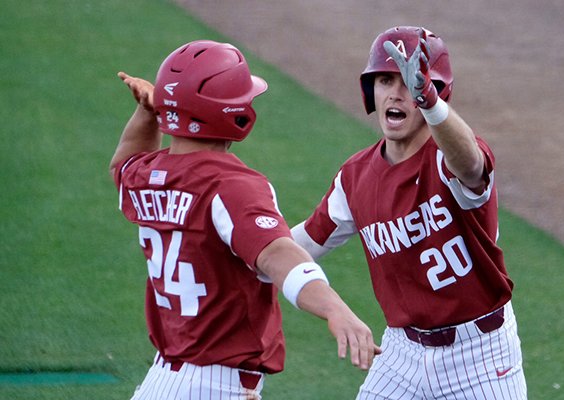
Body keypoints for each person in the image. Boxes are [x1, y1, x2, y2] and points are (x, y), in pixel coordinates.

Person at [109, 40, 379, 400]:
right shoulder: (232, 185)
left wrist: (148, 113)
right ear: (229, 111)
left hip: (162, 380)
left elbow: (122, 163)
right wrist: (335, 309)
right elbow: (277, 255)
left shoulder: (145, 175)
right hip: (215, 387)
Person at [291, 26, 528, 399]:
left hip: (480, 357)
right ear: (371, 91)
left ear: (436, 90)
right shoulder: (355, 176)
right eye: (385, 80)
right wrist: (242, 244)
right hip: (400, 353)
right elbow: (299, 246)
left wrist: (431, 103)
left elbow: (470, 166)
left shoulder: (449, 159)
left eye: (409, 81)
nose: (397, 93)